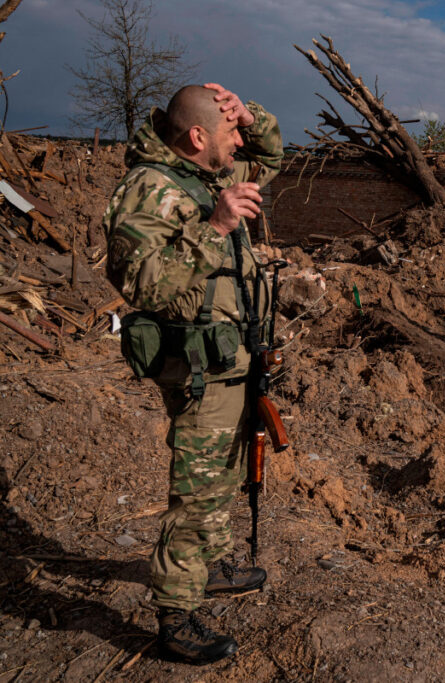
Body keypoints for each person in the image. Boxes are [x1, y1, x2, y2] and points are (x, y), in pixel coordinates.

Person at [103, 83, 283, 663]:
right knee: (197, 494)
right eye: (231, 134)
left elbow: (273, 158)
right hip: (198, 364)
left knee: (223, 475)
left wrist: (250, 115)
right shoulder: (147, 191)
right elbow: (143, 286)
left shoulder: (209, 176)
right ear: (198, 137)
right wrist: (215, 229)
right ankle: (175, 616)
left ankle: (209, 566)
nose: (240, 144)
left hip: (232, 358)